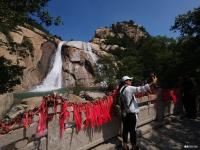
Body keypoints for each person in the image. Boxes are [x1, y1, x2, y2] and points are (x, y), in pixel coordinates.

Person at [119, 75, 157, 150]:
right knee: (133, 131)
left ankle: (125, 146)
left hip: (124, 113)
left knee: (125, 130)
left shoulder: (121, 89)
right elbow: (141, 88)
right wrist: (153, 82)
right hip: (131, 114)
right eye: (130, 80)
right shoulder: (129, 88)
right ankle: (134, 147)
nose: (131, 81)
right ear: (126, 81)